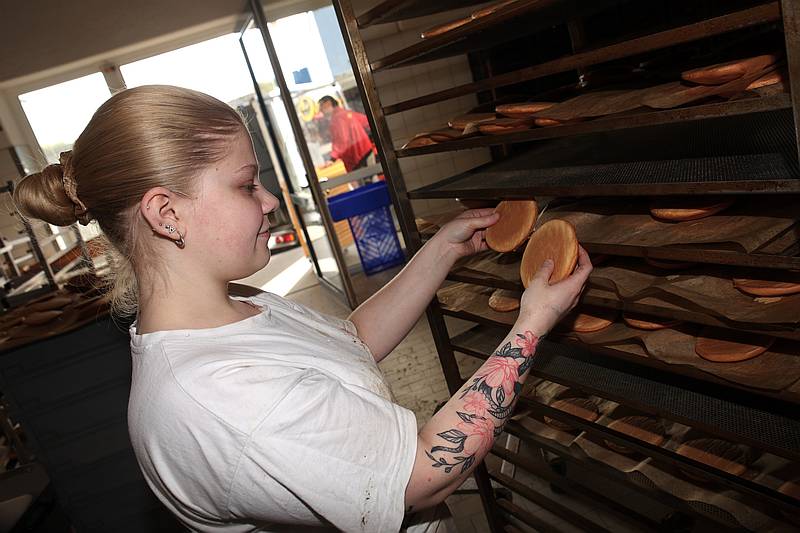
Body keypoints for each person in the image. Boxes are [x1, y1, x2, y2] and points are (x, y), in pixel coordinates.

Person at [13, 85, 592, 532]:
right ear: (167, 214)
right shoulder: (212, 395)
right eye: (246, 185)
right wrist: (531, 325)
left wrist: (439, 251)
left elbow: (350, 342)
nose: (270, 202)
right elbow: (419, 480)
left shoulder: (232, 306)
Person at [318, 95, 376, 173]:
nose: (321, 111)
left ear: (328, 104)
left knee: (367, 182)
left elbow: (341, 141)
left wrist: (332, 158)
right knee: (373, 177)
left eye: (321, 107)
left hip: (356, 158)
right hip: (367, 151)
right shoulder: (347, 113)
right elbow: (367, 121)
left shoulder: (336, 120)